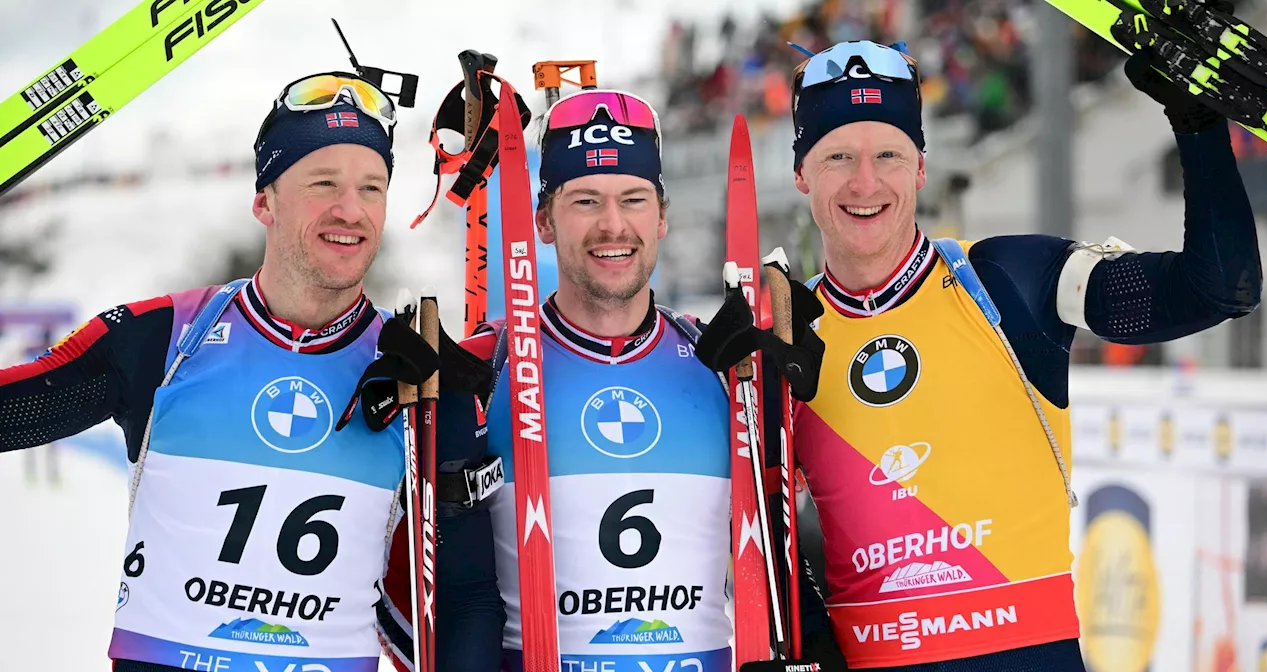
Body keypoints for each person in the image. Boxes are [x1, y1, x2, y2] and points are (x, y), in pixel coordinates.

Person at [699, 37, 1262, 670]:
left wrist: (1199, 125)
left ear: (920, 167)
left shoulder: (1011, 283)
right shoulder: (784, 331)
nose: (866, 181)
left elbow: (1219, 289)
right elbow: (751, 529)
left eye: (888, 153)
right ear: (801, 172)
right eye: (838, 157)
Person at [378, 86, 845, 671]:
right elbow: (405, 597)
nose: (613, 225)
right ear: (543, 222)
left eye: (633, 198)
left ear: (663, 216)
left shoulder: (726, 363)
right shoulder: (478, 372)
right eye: (585, 201)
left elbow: (789, 544)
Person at [0, 71, 450, 672]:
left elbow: (440, 597)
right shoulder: (166, 337)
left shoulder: (412, 370)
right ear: (264, 200)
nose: (351, 209)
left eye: (372, 187)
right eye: (323, 183)